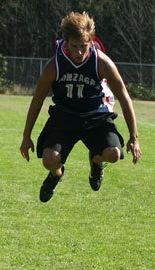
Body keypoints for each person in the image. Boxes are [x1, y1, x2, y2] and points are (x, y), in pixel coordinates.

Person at [20, 12, 141, 202]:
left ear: (91, 41)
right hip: (64, 117)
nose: (78, 52)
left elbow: (125, 98)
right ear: (66, 41)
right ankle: (56, 175)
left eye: (83, 47)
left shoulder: (102, 63)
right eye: (74, 46)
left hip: (95, 117)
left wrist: (134, 138)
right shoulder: (55, 65)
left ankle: (96, 161)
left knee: (114, 154)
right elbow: (37, 100)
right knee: (49, 160)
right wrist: (26, 137)